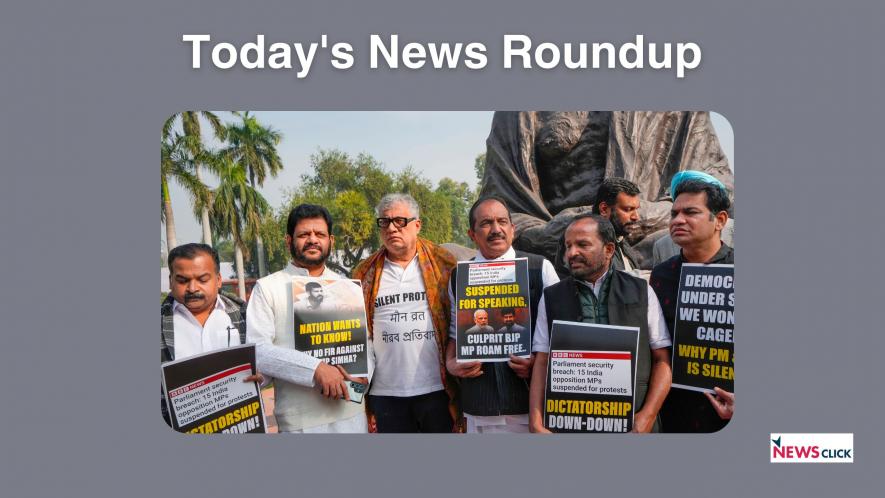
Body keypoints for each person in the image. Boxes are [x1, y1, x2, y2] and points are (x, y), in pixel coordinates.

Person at [480, 111, 733, 268]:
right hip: (557, 247)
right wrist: (554, 233)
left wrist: (632, 218)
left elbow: (719, 191)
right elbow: (499, 209)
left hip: (651, 240)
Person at [529, 214, 672, 433]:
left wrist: (647, 416)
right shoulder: (552, 297)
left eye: (582, 245)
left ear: (609, 250)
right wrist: (536, 421)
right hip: (570, 425)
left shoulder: (641, 291)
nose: (571, 253)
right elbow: (542, 361)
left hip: (633, 425)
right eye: (568, 246)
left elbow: (662, 360)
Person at [246, 204, 372, 433]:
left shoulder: (347, 287)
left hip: (351, 414)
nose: (313, 240)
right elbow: (259, 350)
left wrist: (363, 378)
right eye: (304, 234)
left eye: (320, 235)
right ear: (288, 240)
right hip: (300, 422)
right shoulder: (267, 288)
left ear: (331, 241)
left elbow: (365, 343)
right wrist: (316, 369)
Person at [446, 196, 560, 433]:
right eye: (486, 223)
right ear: (471, 233)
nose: (496, 229)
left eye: (502, 221)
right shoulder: (460, 277)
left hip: (531, 406)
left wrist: (539, 365)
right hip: (479, 405)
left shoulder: (539, 268)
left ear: (513, 229)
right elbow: (456, 331)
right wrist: (450, 364)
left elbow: (560, 332)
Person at [353, 193, 457, 433]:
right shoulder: (363, 273)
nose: (391, 228)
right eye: (384, 222)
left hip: (436, 388)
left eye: (400, 221)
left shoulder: (444, 265)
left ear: (417, 225)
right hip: (386, 392)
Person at [650, 172, 734, 432]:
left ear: (719, 220)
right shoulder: (662, 274)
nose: (678, 220)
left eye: (690, 212)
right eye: (674, 214)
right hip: (673, 410)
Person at [160, 243, 262, 424]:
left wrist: (263, 375)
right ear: (171, 281)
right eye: (183, 280)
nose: (192, 288)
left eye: (202, 279)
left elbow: (265, 360)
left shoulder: (244, 314)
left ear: (219, 279)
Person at [594, 178, 643, 271]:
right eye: (628, 209)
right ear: (604, 209)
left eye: (636, 209)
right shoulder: (591, 246)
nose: (636, 217)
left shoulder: (621, 241)